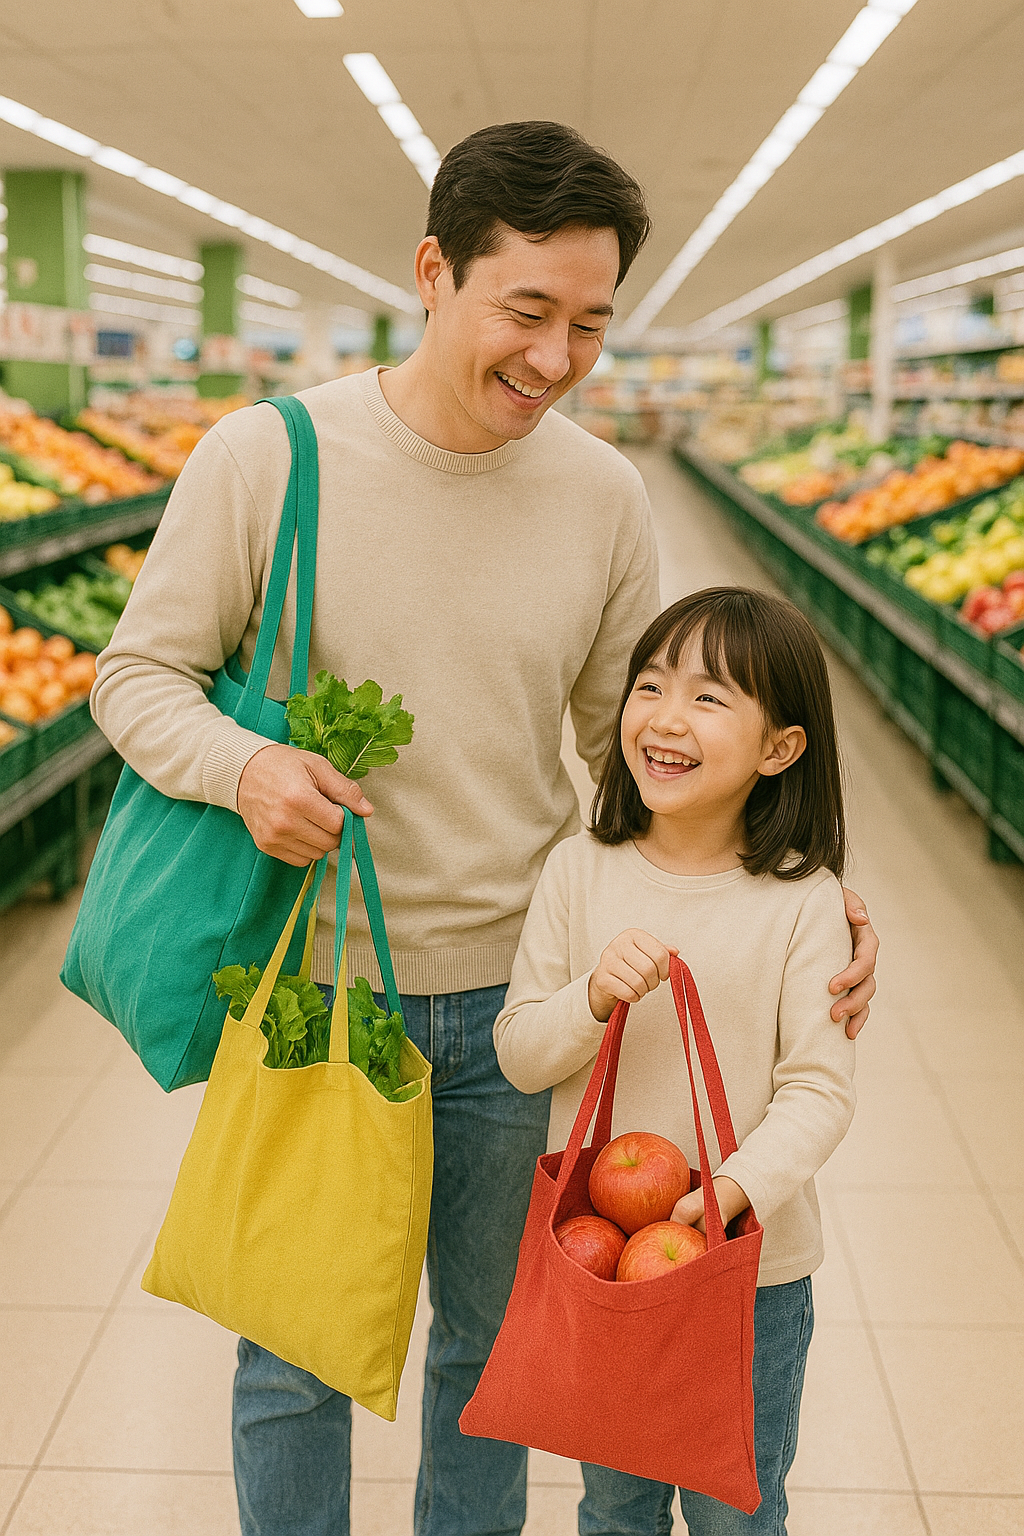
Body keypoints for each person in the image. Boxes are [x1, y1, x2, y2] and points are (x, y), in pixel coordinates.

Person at [92, 123, 877, 1536]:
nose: (558, 358)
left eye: (590, 324)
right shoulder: (268, 459)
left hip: (519, 1006)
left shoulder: (601, 493)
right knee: (293, 1351)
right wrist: (241, 772)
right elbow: (134, 677)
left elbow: (631, 754)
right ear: (435, 271)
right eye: (527, 312)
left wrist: (804, 888)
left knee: (487, 1356)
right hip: (315, 993)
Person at [492, 586, 859, 1535]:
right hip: (608, 1265)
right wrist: (590, 999)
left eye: (709, 697)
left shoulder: (803, 904)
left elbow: (818, 1092)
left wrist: (730, 1191)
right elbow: (523, 1053)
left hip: (750, 1274)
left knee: (736, 1508)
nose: (664, 715)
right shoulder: (581, 872)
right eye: (650, 684)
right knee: (613, 1506)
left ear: (780, 748)